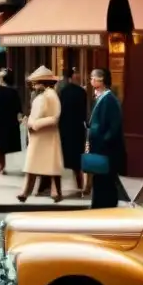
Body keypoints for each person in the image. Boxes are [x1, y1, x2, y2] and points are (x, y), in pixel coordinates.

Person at [18, 66, 63, 203]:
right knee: (36, 166)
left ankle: (52, 192)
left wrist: (34, 124)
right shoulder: (44, 95)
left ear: (43, 82)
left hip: (45, 135)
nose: (34, 85)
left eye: (36, 82)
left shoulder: (51, 95)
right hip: (41, 136)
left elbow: (54, 117)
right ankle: (27, 192)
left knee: (48, 166)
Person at [86, 67, 127, 209]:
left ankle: (105, 207)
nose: (91, 80)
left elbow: (114, 127)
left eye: (93, 78)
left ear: (101, 80)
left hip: (106, 150)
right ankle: (98, 205)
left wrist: (103, 141)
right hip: (98, 148)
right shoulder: (99, 97)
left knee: (105, 181)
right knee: (99, 180)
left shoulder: (110, 99)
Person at [57, 66, 89, 196]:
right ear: (73, 76)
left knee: (60, 159)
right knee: (77, 162)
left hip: (64, 128)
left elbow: (59, 110)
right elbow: (84, 113)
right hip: (77, 129)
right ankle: (80, 186)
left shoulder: (62, 91)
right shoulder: (82, 92)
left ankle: (57, 189)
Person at [0, 69, 23, 175]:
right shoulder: (14, 92)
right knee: (8, 144)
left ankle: (1, 165)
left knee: (0, 146)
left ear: (1, 79)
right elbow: (18, 109)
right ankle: (2, 165)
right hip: (11, 121)